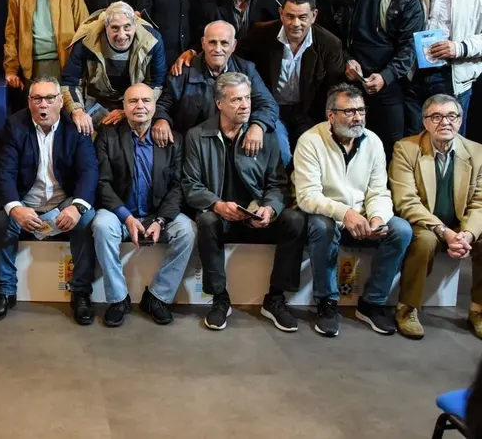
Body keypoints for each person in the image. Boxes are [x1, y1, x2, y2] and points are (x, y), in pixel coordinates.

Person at [183, 72, 305, 332]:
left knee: (294, 219)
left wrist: (269, 208)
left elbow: (278, 184)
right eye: (237, 99)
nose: (245, 105)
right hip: (221, 213)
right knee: (206, 220)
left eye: (247, 98)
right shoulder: (197, 136)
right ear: (219, 104)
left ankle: (275, 298)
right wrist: (217, 204)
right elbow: (190, 185)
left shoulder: (265, 136)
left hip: (255, 213)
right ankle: (219, 298)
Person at [293, 84, 413, 337]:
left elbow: (379, 191)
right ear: (331, 115)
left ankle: (372, 303)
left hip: (364, 215)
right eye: (349, 112)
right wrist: (345, 213)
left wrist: (378, 218)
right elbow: (307, 196)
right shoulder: (310, 141)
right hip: (328, 214)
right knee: (320, 226)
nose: (357, 117)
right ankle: (326, 302)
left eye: (361, 110)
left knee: (400, 230)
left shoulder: (373, 142)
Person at [0, 77, 98, 325]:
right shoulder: (14, 126)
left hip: (63, 201)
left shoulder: (75, 128)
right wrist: (15, 208)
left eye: (49, 98)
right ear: (29, 102)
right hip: (27, 201)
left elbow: (89, 171)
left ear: (60, 101)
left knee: (87, 218)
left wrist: (76, 207)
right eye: (37, 99)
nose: (43, 105)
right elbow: (4, 172)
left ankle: (81, 292)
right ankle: (6, 290)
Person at [92, 83, 195, 327]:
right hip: (120, 212)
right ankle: (118, 298)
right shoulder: (108, 135)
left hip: (157, 213)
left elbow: (178, 186)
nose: (140, 106)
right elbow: (102, 183)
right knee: (101, 226)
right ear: (123, 107)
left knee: (188, 231)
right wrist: (126, 217)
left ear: (154, 106)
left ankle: (158, 296)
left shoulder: (173, 140)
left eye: (146, 101)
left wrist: (161, 220)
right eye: (133, 101)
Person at [390, 94, 482, 339]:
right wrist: (443, 231)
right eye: (437, 116)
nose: (445, 122)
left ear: (460, 121)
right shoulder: (406, 149)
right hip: (426, 223)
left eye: (452, 116)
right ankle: (407, 308)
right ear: (425, 122)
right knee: (425, 241)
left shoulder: (477, 152)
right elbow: (406, 201)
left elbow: (480, 203)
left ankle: (478, 310)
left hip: (460, 224)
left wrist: (467, 234)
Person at [323, 0, 424, 157]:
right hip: (350, 83)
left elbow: (410, 46)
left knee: (391, 148)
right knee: (343, 145)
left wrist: (386, 76)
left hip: (390, 85)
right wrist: (346, 61)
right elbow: (331, 40)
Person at [236, 0, 346, 155]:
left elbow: (335, 89)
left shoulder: (329, 44)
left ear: (314, 16)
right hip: (271, 108)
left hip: (308, 113)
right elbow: (239, 63)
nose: (295, 23)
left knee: (307, 153)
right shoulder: (260, 33)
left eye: (302, 17)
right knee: (281, 153)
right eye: (290, 16)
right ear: (281, 13)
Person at [152, 21, 278, 153]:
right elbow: (163, 104)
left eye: (224, 43)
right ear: (203, 43)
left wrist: (258, 126)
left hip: (235, 142)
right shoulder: (183, 71)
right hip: (193, 144)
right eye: (212, 42)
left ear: (234, 45)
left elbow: (268, 104)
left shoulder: (246, 69)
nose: (218, 49)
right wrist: (161, 120)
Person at [403, 0, 482, 135]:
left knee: (448, 141)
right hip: (415, 74)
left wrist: (459, 47)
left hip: (453, 76)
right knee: (414, 140)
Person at [62, 1, 165, 134]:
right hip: (96, 99)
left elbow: (156, 84)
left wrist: (127, 110)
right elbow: (71, 81)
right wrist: (77, 111)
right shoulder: (86, 41)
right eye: (115, 28)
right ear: (106, 27)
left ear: (135, 25)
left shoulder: (152, 40)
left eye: (127, 27)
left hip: (135, 102)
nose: (122, 35)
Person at [4, 0, 90, 92]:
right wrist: (11, 70)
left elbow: (84, 30)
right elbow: (11, 35)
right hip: (31, 67)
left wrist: (81, 69)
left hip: (65, 64)